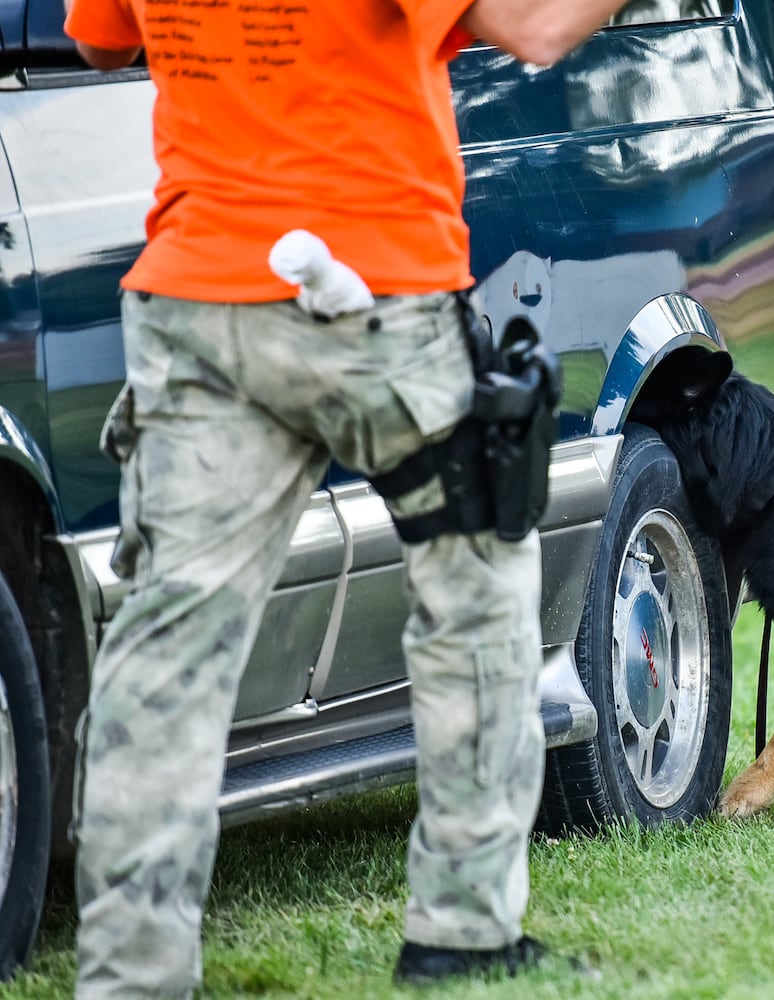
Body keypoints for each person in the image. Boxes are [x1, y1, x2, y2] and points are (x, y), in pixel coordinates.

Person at [62, 0, 627, 994]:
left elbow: (100, 36)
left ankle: (130, 973)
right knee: (476, 604)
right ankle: (463, 929)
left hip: (198, 299)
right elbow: (535, 26)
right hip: (377, 293)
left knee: (170, 651)